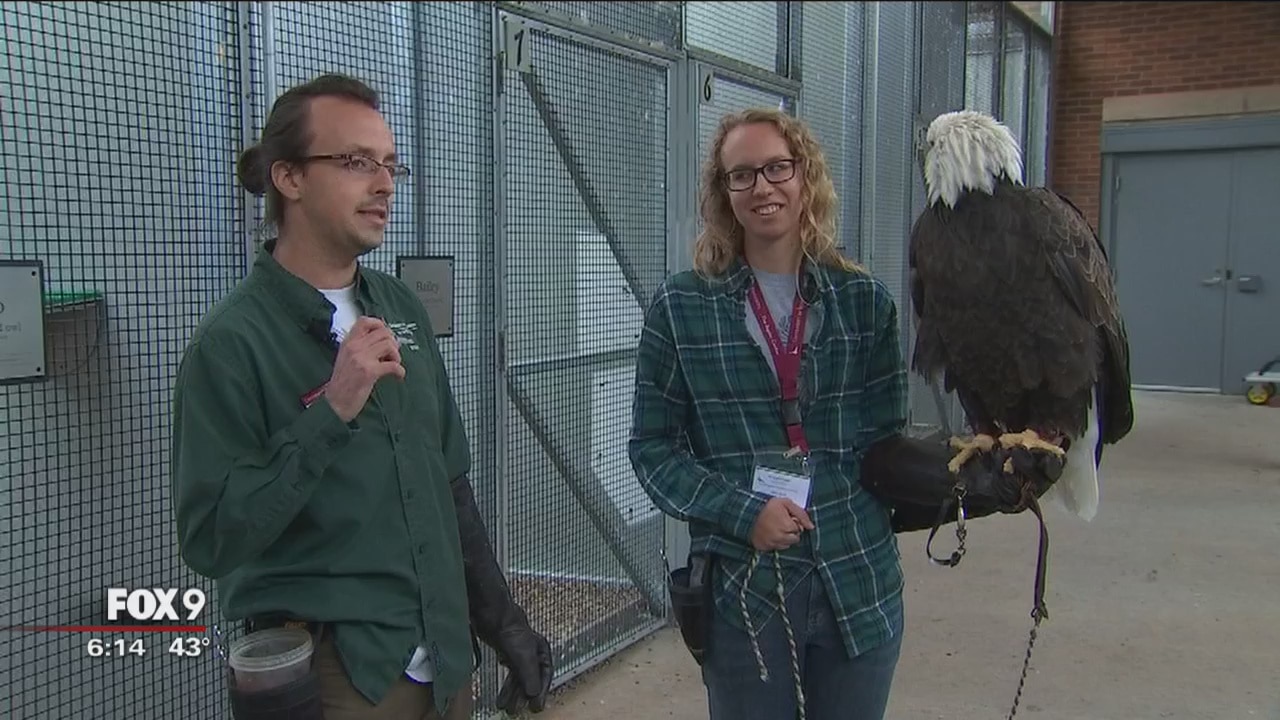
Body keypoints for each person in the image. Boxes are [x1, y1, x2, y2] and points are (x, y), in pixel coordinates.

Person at [628, 108, 1060, 720]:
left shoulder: (864, 303)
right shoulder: (681, 306)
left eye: (778, 168)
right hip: (747, 592)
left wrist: (971, 482)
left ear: (805, 177)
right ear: (724, 192)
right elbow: (653, 449)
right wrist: (743, 514)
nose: (762, 186)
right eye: (742, 174)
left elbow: (882, 451)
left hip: (858, 582)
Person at [170, 73, 553, 720]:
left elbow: (448, 482)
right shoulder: (230, 344)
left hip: (446, 666)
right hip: (343, 678)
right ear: (289, 178)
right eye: (355, 162)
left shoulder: (398, 306)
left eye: (389, 165)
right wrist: (331, 412)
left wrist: (503, 621)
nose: (384, 184)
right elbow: (212, 537)